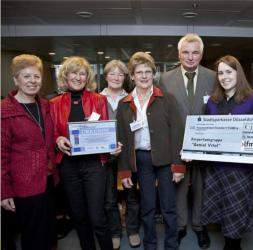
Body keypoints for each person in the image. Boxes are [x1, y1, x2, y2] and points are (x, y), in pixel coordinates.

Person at [50, 56, 121, 250]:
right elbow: (52, 132)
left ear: (87, 77)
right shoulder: (54, 103)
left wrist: (113, 145)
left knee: (97, 217)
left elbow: (107, 131)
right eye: (74, 73)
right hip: (68, 166)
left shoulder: (99, 100)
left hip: (94, 166)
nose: (78, 77)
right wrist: (57, 140)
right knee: (79, 217)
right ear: (65, 75)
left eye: (82, 73)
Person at [117, 52, 185, 250]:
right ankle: (150, 244)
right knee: (147, 207)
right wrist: (124, 170)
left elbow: (177, 133)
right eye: (139, 72)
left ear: (154, 74)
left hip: (166, 161)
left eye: (148, 72)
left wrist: (178, 165)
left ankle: (171, 244)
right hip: (141, 160)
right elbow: (122, 139)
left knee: (168, 207)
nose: (144, 76)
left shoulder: (167, 99)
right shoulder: (125, 104)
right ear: (132, 76)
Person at [199, 55, 253, 250]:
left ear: (238, 74)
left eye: (229, 72)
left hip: (240, 170)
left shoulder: (252, 100)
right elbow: (203, 133)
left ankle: (233, 245)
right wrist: (192, 150)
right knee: (221, 209)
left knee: (235, 211)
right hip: (216, 168)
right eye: (220, 73)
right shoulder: (212, 102)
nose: (224, 76)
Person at [159, 33, 216, 249]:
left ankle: (200, 227)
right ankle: (181, 225)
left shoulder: (212, 77)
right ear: (179, 54)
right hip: (177, 143)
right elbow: (163, 113)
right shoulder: (165, 78)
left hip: (205, 144)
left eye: (195, 52)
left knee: (202, 186)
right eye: (186, 52)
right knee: (179, 186)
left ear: (201, 54)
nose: (190, 57)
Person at [1, 54, 58, 250]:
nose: (32, 81)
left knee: (49, 231)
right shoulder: (5, 111)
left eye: (36, 76)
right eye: (26, 76)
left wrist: (59, 139)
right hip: (24, 184)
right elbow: (1, 156)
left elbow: (49, 137)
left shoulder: (45, 105)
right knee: (33, 235)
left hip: (48, 179)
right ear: (16, 79)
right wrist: (3, 191)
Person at [100, 59, 141, 249]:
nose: (116, 77)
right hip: (105, 157)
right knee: (109, 198)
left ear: (125, 78)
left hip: (128, 155)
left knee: (131, 195)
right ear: (105, 76)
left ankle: (132, 230)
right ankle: (115, 232)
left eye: (120, 74)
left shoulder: (132, 98)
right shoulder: (96, 99)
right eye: (112, 73)